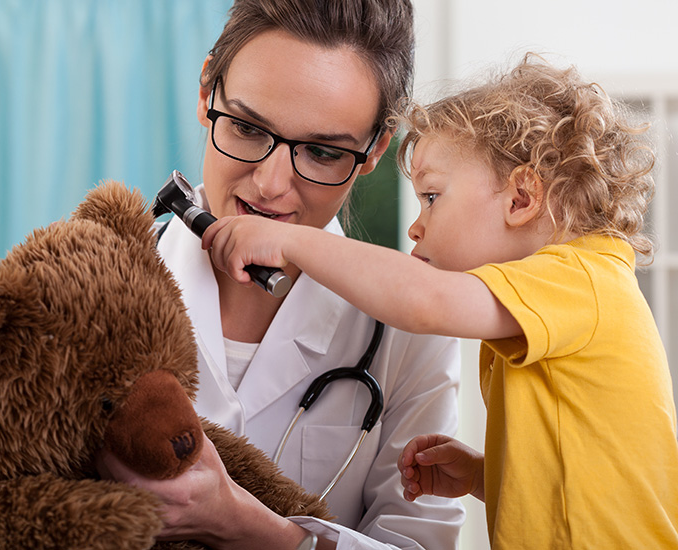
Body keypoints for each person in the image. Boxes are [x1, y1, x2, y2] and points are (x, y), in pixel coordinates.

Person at [0, 1, 466, 549]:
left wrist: (249, 527)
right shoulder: (78, 287)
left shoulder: (411, 328)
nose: (270, 185)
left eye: (319, 152)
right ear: (204, 92)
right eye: (245, 127)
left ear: (372, 152)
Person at [203, 53, 678, 548]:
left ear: (520, 199)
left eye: (432, 197)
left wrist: (292, 242)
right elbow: (585, 482)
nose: (416, 226)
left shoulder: (581, 279)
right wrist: (484, 476)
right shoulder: (551, 305)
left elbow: (424, 302)